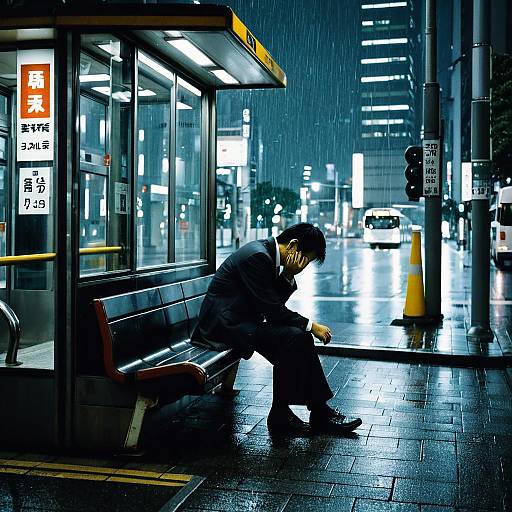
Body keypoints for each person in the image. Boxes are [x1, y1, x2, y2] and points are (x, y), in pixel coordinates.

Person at [192, 223, 362, 436]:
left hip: (239, 322)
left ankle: (302, 413)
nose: (304, 266)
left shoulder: (265, 253)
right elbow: (272, 310)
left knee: (296, 339)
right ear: (293, 245)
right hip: (222, 328)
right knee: (294, 338)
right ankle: (296, 415)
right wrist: (312, 326)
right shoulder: (257, 257)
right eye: (306, 260)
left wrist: (288, 276)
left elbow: (270, 305)